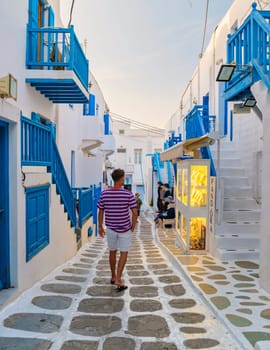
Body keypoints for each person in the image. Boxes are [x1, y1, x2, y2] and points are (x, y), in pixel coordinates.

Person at [98, 168, 137, 291]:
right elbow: (134, 212)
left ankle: (114, 276)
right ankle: (119, 278)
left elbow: (101, 211)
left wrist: (100, 226)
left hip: (110, 228)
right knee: (124, 253)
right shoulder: (128, 194)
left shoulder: (105, 193)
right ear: (121, 179)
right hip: (125, 228)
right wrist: (133, 226)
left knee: (112, 252)